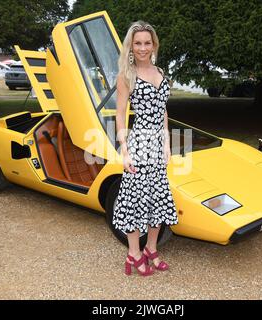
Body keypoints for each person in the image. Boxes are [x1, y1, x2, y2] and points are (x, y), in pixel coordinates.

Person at [113, 21, 178, 276]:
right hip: (139, 144)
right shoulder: (125, 76)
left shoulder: (160, 72)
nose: (142, 48)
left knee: (158, 201)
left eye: (147, 43)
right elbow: (120, 115)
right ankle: (133, 252)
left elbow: (163, 110)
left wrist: (168, 144)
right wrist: (125, 150)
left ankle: (151, 248)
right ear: (131, 46)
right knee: (135, 201)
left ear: (154, 45)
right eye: (137, 43)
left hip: (158, 147)